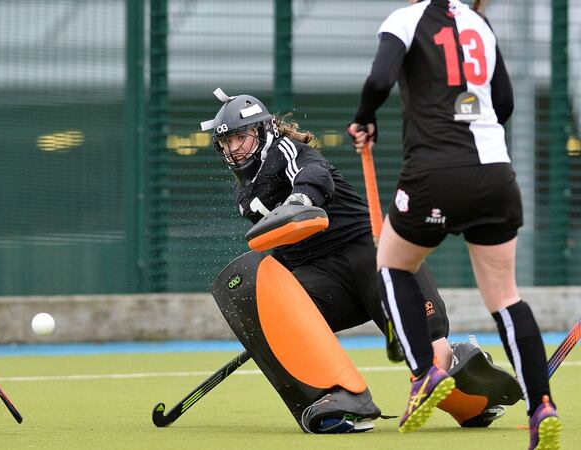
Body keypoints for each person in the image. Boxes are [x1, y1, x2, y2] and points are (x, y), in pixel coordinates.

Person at [202, 88, 516, 433]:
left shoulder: (286, 150)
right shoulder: (244, 195)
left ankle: (472, 395)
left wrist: (300, 199)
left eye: (241, 138)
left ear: (264, 131)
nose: (234, 149)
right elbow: (281, 250)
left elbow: (315, 175)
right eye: (227, 143)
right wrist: (272, 324)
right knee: (264, 306)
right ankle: (340, 399)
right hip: (322, 278)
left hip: (371, 258)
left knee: (429, 358)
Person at [347, 1, 561, 448]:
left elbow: (380, 80)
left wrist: (364, 118)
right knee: (505, 297)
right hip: (495, 174)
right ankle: (542, 404)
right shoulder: (481, 25)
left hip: (433, 174)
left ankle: (424, 372)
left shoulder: (406, 19)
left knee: (392, 264)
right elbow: (503, 102)